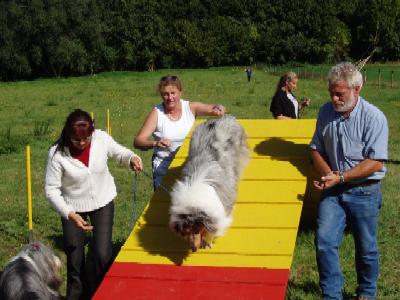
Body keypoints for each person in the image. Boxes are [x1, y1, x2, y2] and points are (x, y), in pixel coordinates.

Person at [44, 109, 143, 300]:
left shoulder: (101, 139)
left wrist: (131, 158)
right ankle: (77, 294)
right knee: (75, 261)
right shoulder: (57, 155)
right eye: (76, 140)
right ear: (67, 135)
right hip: (72, 208)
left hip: (102, 201)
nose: (82, 143)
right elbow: (51, 190)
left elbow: (119, 152)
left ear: (92, 132)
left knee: (102, 254)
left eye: (86, 139)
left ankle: (99, 292)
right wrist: (69, 213)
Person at [309, 62, 388, 300]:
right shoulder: (325, 112)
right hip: (333, 191)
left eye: (339, 93)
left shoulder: (374, 117)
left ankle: (366, 292)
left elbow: (376, 162)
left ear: (357, 90)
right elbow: (315, 150)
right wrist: (328, 175)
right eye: (331, 92)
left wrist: (340, 177)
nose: (334, 98)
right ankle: (332, 295)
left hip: (365, 190)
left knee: (366, 248)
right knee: (324, 241)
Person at [134, 75, 225, 189]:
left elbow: (214, 107)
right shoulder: (157, 112)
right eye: (165, 94)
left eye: (173, 93)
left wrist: (219, 108)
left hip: (189, 166)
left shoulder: (191, 107)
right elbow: (138, 141)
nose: (170, 97)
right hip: (164, 169)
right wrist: (155, 143)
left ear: (180, 92)